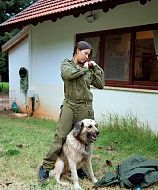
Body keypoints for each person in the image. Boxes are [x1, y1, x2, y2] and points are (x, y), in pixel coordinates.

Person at [38, 41, 104, 181]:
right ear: (77, 51)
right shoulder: (66, 65)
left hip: (85, 106)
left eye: (89, 55)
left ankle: (80, 168)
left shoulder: (88, 68)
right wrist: (86, 68)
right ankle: (46, 166)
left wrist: (95, 67)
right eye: (85, 53)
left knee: (85, 138)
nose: (87, 57)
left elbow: (100, 84)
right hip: (70, 104)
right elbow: (69, 75)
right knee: (61, 136)